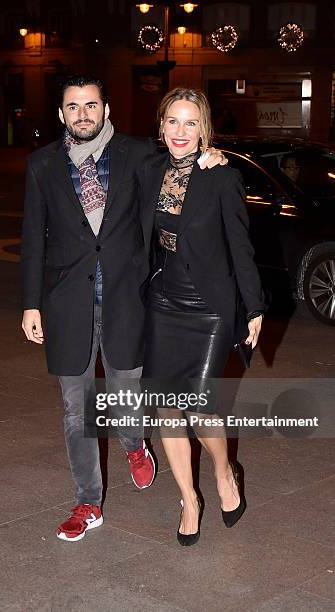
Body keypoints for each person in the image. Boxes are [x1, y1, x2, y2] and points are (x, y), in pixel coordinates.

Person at [20, 75, 226, 543]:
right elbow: (33, 239)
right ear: (61, 114)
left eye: (91, 105)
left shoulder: (139, 156)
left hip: (127, 299)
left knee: (126, 394)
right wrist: (30, 304)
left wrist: (210, 160)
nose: (83, 114)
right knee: (77, 409)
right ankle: (87, 501)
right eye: (73, 107)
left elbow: (182, 167)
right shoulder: (42, 165)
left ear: (106, 109)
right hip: (67, 303)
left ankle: (135, 445)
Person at [140, 87, 264, 546]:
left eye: (191, 123)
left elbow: (240, 247)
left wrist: (254, 307)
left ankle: (222, 468)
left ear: (204, 129)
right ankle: (189, 499)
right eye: (173, 121)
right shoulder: (149, 170)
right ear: (161, 126)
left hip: (209, 305)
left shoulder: (221, 177)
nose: (180, 131)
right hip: (163, 300)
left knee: (202, 405)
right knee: (168, 408)